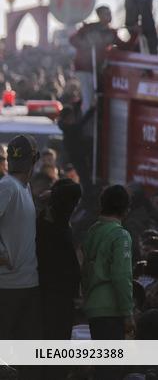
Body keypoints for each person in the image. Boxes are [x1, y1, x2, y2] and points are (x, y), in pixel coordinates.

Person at [82, 185, 134, 378]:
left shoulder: (93, 231)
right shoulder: (121, 235)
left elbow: (85, 269)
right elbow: (121, 276)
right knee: (111, 370)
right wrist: (127, 312)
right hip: (111, 310)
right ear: (126, 209)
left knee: (102, 367)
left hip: (94, 307)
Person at [0, 135, 43, 342]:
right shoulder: (7, 186)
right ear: (35, 160)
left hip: (26, 283)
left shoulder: (24, 188)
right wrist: (2, 255)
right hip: (7, 286)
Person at [36, 178, 83, 340]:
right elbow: (76, 189)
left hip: (56, 294)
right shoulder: (50, 221)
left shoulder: (55, 220)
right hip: (54, 295)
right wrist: (54, 194)